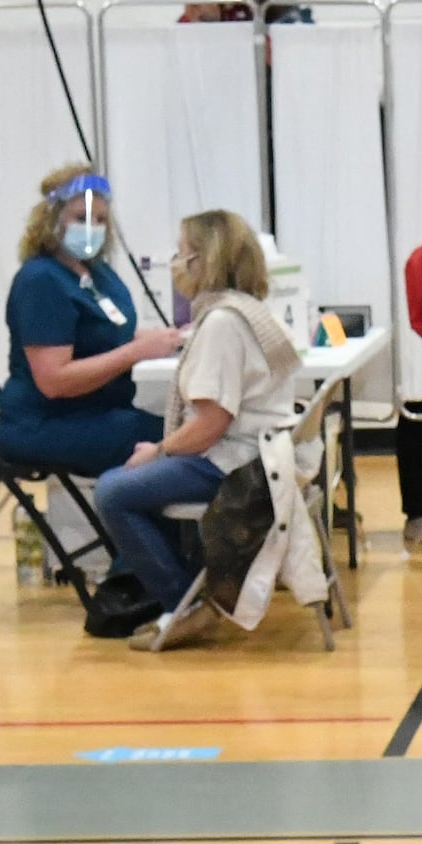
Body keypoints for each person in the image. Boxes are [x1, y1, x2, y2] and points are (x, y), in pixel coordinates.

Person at [102, 210, 301, 653]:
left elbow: (212, 425)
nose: (176, 261)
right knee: (136, 482)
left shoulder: (221, 325)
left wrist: (156, 451)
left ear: (203, 261)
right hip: (263, 454)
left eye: (182, 252)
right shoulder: (248, 312)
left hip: (237, 464)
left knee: (114, 491)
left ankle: (186, 604)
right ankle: (192, 590)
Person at [0, 166, 189, 537]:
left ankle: (155, 562)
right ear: (52, 221)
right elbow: (54, 381)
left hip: (95, 411)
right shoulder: (41, 281)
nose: (93, 228)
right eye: (81, 218)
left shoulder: (96, 275)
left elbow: (111, 332)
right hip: (44, 423)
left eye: (100, 219)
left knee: (175, 429)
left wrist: (166, 339)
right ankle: (140, 570)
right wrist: (135, 352)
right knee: (167, 442)